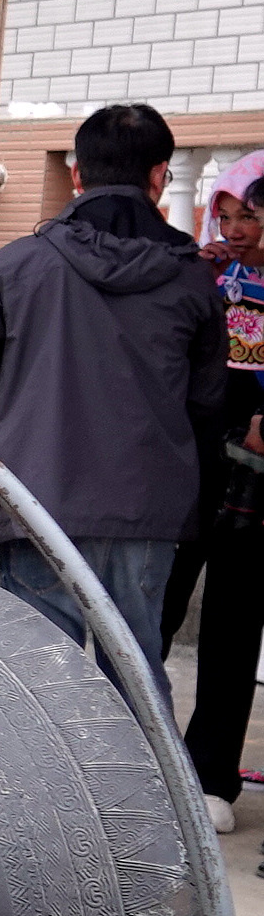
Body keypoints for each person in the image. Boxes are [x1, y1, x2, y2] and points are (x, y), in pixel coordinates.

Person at [0, 102, 226, 721]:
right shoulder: (193, 281)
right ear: (160, 175)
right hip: (146, 509)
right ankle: (143, 816)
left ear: (77, 175)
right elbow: (208, 405)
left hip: (37, 505)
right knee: (137, 679)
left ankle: (50, 818)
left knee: (38, 689)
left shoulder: (19, 265)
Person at [176, 159, 264, 832]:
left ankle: (213, 777)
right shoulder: (204, 273)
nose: (234, 230)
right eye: (225, 214)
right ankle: (148, 760)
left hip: (255, 478)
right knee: (157, 606)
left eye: (249, 217)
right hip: (195, 454)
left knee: (234, 620)